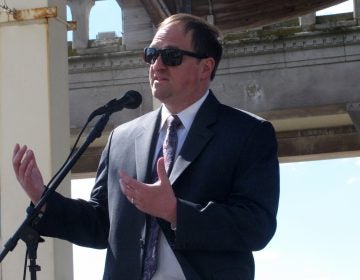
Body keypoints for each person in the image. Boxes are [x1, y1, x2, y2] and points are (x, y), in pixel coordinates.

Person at [12, 13, 279, 280]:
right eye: (152, 54)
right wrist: (43, 199)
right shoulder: (122, 139)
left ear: (205, 68)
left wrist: (175, 211)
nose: (157, 65)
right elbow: (101, 224)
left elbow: (256, 226)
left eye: (171, 56)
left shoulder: (248, 133)